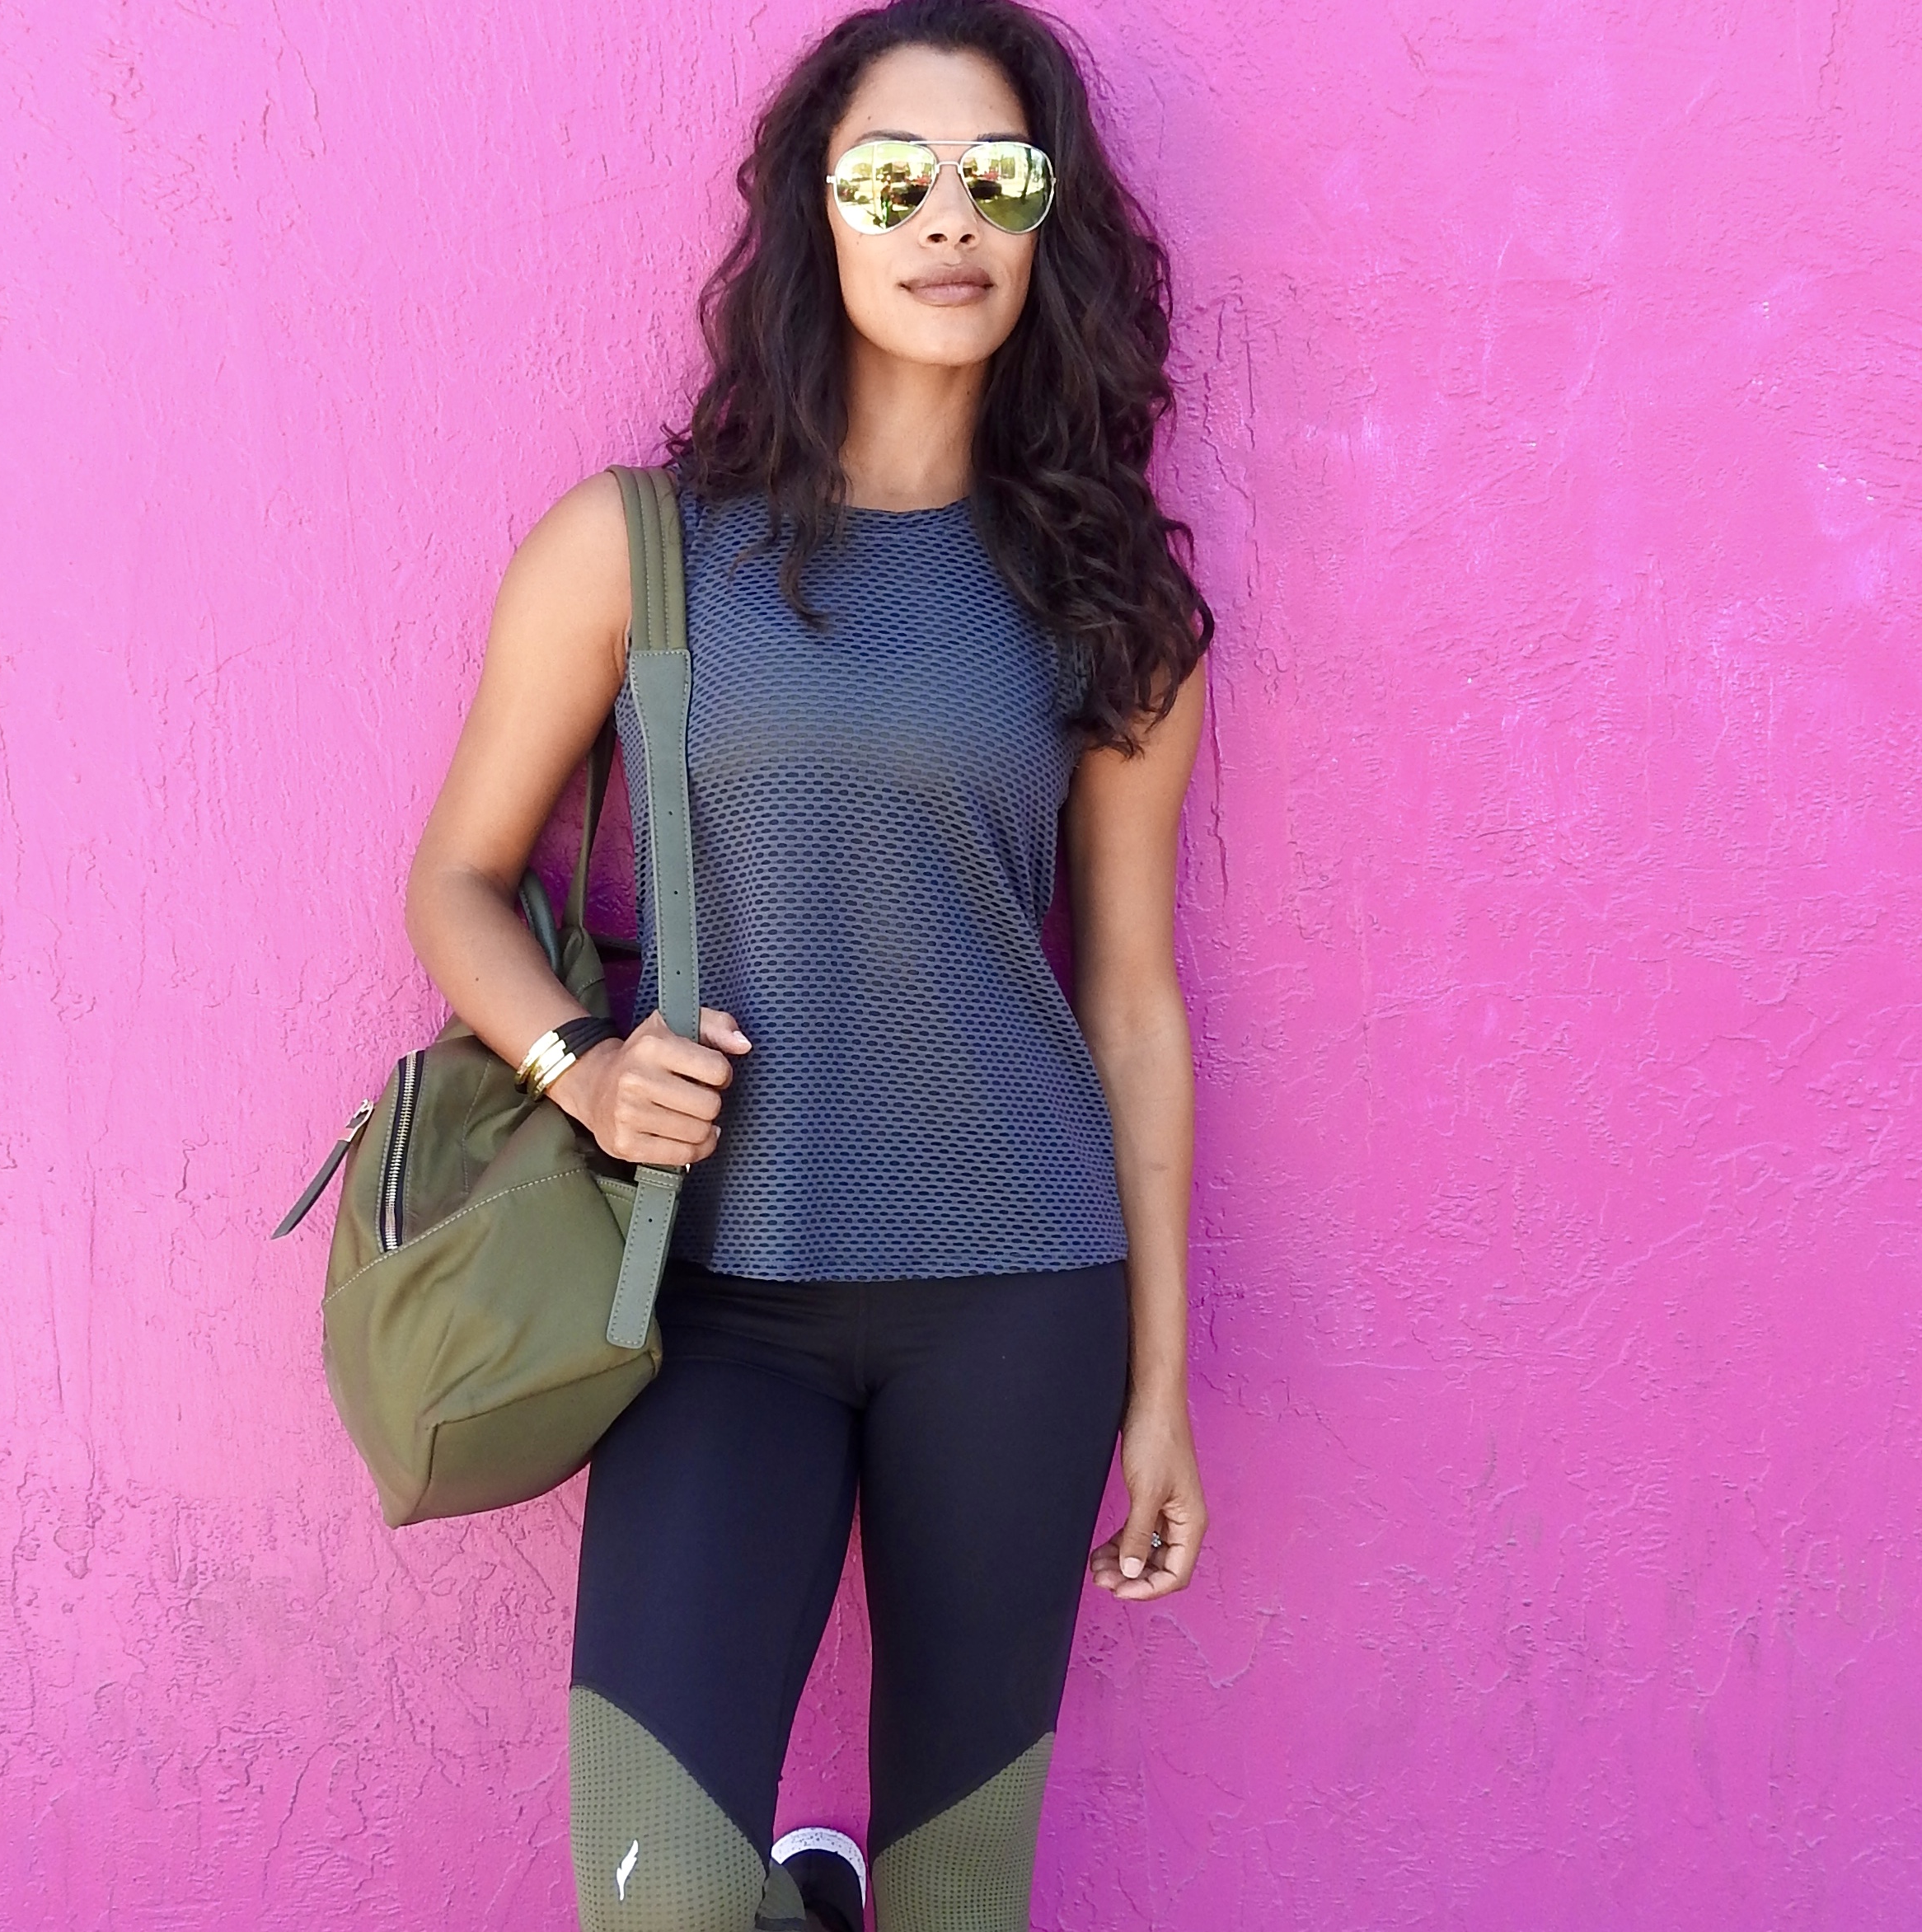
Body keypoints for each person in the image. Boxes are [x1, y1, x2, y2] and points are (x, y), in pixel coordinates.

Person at [403, 2, 1213, 1925]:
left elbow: (1130, 1001)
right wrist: (582, 1066)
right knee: (660, 1893)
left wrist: (1163, 1377)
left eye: (999, 177)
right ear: (814, 217)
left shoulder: (1110, 603)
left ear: (1048, 221)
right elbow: (455, 881)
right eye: (892, 180)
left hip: (1019, 1296)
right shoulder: (637, 550)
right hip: (713, 1303)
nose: (949, 220)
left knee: (964, 1896)